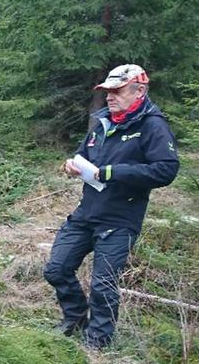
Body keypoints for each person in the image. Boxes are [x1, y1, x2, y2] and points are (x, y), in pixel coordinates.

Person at [43, 64, 179, 349]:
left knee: (102, 285)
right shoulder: (103, 123)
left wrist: (114, 172)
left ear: (139, 91)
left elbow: (166, 170)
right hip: (85, 214)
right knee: (56, 269)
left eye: (117, 91)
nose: (109, 97)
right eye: (107, 92)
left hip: (120, 220)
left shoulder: (153, 125)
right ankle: (76, 318)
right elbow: (83, 155)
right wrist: (71, 165)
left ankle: (97, 345)